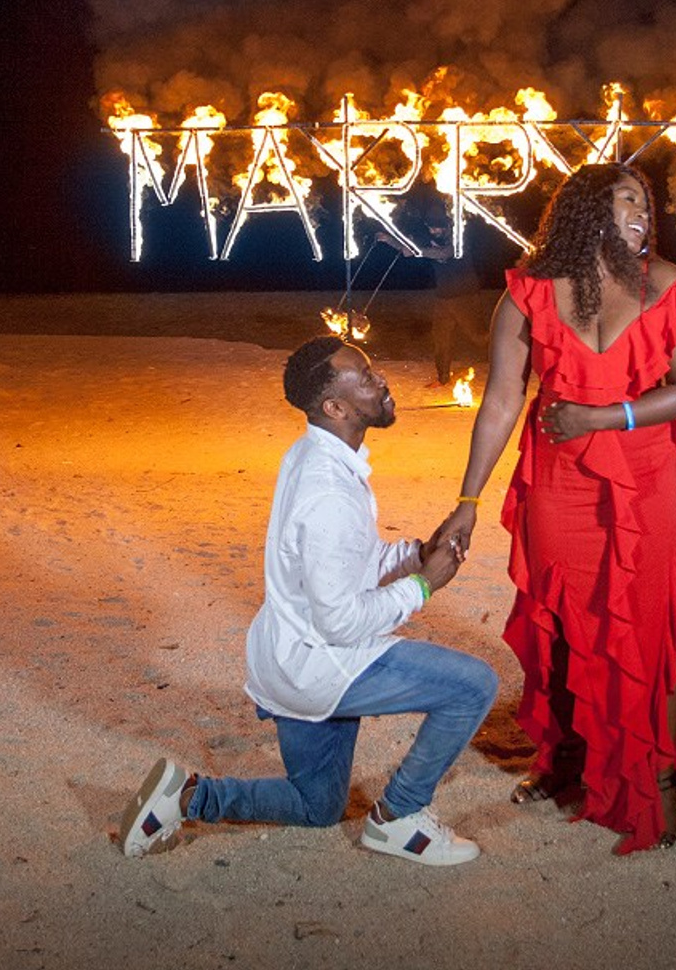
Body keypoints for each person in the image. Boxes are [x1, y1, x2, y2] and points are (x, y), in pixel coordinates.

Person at [437, 163, 676, 854]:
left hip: (648, 478)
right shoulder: (528, 295)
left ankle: (661, 776)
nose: (643, 211)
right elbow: (499, 400)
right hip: (558, 482)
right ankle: (569, 758)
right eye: (626, 200)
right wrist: (468, 498)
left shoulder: (668, 285)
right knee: (562, 622)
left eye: (647, 200)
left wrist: (603, 418)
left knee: (656, 624)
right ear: (586, 214)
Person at [119, 335, 498, 866]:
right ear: (335, 407)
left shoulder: (315, 453)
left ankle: (186, 798)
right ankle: (399, 818)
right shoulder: (328, 491)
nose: (382, 381)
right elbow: (343, 622)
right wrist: (424, 585)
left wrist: (416, 555)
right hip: (321, 664)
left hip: (287, 658)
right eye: (365, 378)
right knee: (473, 685)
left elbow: (346, 563)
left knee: (317, 805)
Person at [376, 203, 488, 387]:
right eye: (431, 227)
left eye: (438, 227)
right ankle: (443, 378)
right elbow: (408, 249)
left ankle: (512, 360)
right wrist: (388, 240)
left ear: (447, 226)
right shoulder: (429, 238)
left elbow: (444, 253)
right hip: (443, 297)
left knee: (479, 336)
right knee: (440, 339)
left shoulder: (459, 237)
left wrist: (417, 251)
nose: (434, 230)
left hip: (464, 296)